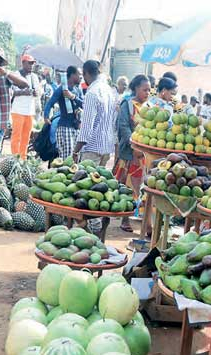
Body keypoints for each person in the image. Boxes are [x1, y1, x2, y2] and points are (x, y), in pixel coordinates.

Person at [115, 74, 150, 232]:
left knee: (141, 187)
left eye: (149, 90)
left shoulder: (149, 108)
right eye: (144, 90)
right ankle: (124, 219)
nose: (147, 93)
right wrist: (133, 145)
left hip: (143, 156)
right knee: (126, 186)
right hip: (129, 154)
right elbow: (123, 126)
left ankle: (142, 219)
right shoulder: (127, 105)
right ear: (136, 88)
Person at [73, 60, 117, 167]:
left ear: (85, 73)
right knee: (100, 182)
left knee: (85, 181)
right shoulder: (108, 90)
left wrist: (75, 151)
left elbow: (86, 128)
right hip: (106, 148)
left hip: (91, 150)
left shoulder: (92, 93)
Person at [8, 54, 41, 160]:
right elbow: (12, 92)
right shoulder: (15, 75)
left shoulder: (34, 77)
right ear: (23, 63)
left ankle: (23, 158)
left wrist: (36, 92)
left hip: (29, 111)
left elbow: (39, 91)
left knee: (26, 137)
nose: (31, 66)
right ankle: (15, 158)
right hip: (18, 110)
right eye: (29, 63)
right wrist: (23, 92)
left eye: (32, 64)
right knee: (16, 136)